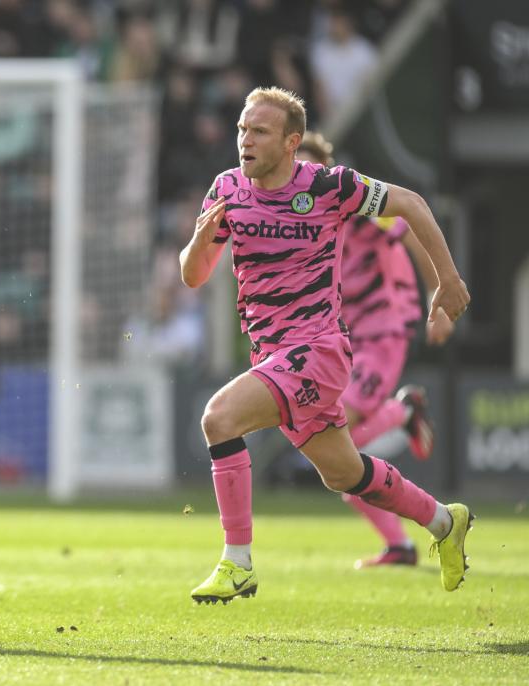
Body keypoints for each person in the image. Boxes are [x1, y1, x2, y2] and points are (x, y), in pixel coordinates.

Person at [180, 86, 472, 605]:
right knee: (346, 473)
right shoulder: (227, 188)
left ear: (292, 142)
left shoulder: (330, 186)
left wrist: (445, 282)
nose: (245, 139)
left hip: (317, 352)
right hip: (272, 355)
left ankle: (237, 562)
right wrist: (199, 244)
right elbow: (194, 277)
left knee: (218, 418)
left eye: (260, 131)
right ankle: (445, 521)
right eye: (242, 129)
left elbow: (410, 203)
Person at [296, 132, 454, 568]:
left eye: (309, 165)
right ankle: (400, 547)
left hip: (385, 330)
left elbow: (412, 234)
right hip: (343, 339)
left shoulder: (352, 201)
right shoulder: (295, 216)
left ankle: (404, 411)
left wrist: (436, 299)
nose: (302, 175)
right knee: (346, 464)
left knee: (341, 438)